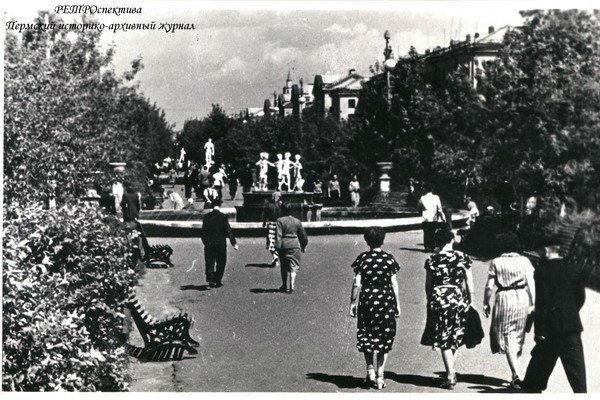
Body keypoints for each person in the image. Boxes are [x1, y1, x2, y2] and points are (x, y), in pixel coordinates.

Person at [521, 241, 587, 393]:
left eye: (539, 251)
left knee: (536, 374)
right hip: (571, 328)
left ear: (545, 250)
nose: (539, 255)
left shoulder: (542, 271)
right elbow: (580, 297)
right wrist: (569, 313)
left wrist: (539, 331)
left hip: (550, 331)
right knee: (577, 376)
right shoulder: (573, 268)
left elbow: (542, 302)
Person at [420, 227, 474, 389]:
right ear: (451, 240)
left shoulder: (432, 260)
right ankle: (451, 371)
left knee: (444, 336)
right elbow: (469, 283)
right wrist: (471, 301)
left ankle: (450, 375)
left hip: (439, 298)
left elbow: (428, 284)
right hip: (458, 297)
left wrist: (430, 300)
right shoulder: (463, 257)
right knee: (456, 335)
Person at [350, 227, 401, 390]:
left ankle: (369, 370)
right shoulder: (389, 259)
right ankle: (380, 376)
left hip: (367, 301)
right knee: (384, 336)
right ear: (383, 240)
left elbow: (357, 283)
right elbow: (394, 284)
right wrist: (397, 304)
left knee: (367, 333)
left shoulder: (362, 258)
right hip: (385, 301)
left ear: (366, 241)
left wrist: (353, 302)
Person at [483, 237, 535, 388]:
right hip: (522, 297)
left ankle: (516, 374)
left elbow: (489, 286)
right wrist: (533, 303)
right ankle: (515, 372)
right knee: (518, 335)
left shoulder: (496, 262)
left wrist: (486, 302)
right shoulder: (525, 261)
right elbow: (531, 283)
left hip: (504, 298)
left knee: (507, 335)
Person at [201, 198, 238, 288]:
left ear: (212, 205)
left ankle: (210, 279)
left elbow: (203, 232)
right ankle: (218, 280)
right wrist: (234, 243)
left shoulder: (206, 217)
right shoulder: (223, 217)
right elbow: (228, 230)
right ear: (220, 205)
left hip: (209, 243)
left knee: (209, 262)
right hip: (221, 243)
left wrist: (205, 242)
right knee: (221, 262)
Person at [275, 203, 308, 293]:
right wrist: (303, 245)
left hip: (283, 246)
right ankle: (291, 286)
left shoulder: (280, 221)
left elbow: (278, 235)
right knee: (294, 265)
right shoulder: (297, 221)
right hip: (294, 245)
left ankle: (284, 285)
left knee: (284, 266)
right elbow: (303, 236)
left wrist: (277, 247)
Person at [418, 183, 445, 252]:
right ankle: (432, 247)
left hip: (426, 218)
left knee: (426, 233)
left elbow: (419, 207)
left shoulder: (422, 198)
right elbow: (439, 208)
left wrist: (421, 212)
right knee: (432, 232)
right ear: (432, 189)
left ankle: (427, 247)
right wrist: (442, 217)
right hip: (434, 218)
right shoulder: (436, 197)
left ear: (425, 189)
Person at [262, 198, 281, 268]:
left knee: (270, 242)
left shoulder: (268, 206)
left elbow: (264, 215)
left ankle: (275, 256)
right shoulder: (278, 206)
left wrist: (264, 223)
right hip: (278, 225)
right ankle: (276, 258)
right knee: (277, 241)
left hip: (270, 224)